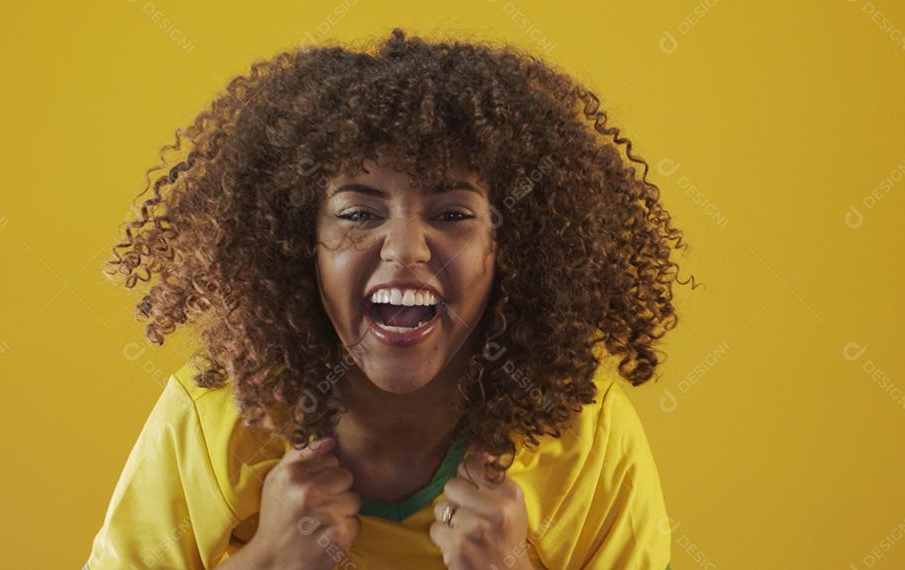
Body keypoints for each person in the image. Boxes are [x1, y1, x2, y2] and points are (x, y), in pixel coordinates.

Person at [86, 27, 691, 569]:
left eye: (453, 213)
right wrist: (269, 561)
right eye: (358, 213)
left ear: (512, 246)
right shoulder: (216, 420)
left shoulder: (588, 440)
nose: (405, 250)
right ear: (303, 243)